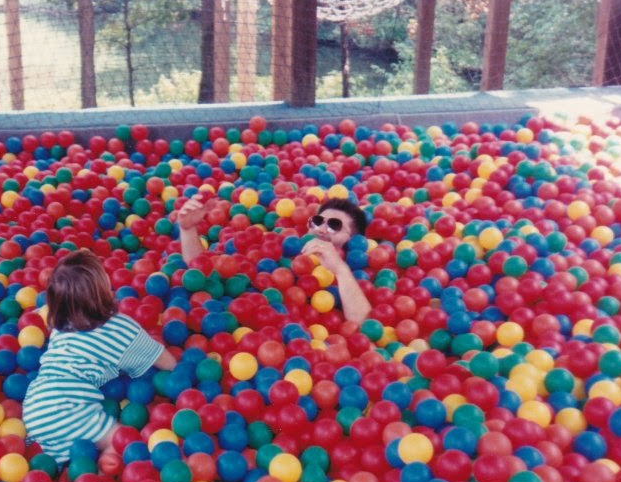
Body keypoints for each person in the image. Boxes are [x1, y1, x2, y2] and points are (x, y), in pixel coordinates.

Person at [21, 250, 177, 466]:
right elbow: (165, 361)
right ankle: (102, 474)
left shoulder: (60, 326)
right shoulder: (120, 328)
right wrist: (181, 374)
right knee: (123, 442)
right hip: (67, 406)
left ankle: (62, 469)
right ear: (103, 290)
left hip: (34, 407)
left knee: (63, 457)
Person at [175, 195, 372, 323]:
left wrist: (340, 270)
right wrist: (188, 230)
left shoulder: (351, 276)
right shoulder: (274, 245)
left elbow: (363, 323)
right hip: (225, 316)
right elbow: (202, 274)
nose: (322, 229)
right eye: (318, 221)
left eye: (335, 225)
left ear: (353, 240)